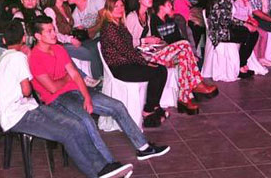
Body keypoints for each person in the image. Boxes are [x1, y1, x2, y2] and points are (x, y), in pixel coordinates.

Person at [0, 22, 135, 178]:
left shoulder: (1, 59)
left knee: (76, 124)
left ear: (4, 41)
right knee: (68, 133)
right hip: (18, 116)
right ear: (24, 38)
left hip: (27, 108)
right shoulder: (18, 58)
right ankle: (98, 172)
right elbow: (26, 91)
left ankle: (105, 167)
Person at [28, 17, 170, 163]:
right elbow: (52, 88)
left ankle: (144, 148)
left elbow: (76, 75)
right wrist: (68, 79)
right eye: (49, 31)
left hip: (75, 91)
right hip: (57, 100)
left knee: (117, 106)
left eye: (54, 30)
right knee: (87, 121)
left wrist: (87, 98)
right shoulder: (34, 58)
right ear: (38, 36)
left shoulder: (58, 48)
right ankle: (108, 164)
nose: (54, 34)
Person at [99, 0, 168, 128]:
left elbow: (130, 49)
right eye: (116, 6)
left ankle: (153, 106)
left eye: (121, 6)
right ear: (109, 9)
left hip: (127, 63)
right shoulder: (109, 27)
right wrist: (144, 62)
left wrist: (144, 60)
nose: (119, 9)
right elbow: (126, 51)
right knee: (157, 72)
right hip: (119, 67)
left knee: (161, 69)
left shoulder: (119, 24)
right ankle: (148, 112)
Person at [149, 0, 218, 114]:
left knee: (184, 56)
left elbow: (177, 38)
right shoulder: (153, 21)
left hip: (172, 52)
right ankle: (197, 83)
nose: (171, 6)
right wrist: (170, 56)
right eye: (168, 4)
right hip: (158, 54)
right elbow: (157, 43)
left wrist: (188, 55)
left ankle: (184, 98)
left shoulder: (170, 19)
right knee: (185, 45)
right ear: (161, 7)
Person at [43, 0, 102, 87]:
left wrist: (77, 30)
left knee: (94, 47)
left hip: (70, 39)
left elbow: (70, 26)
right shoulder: (50, 10)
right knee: (87, 52)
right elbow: (54, 33)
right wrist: (69, 39)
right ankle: (88, 78)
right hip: (59, 43)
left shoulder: (67, 8)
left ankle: (99, 77)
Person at [206, 0, 260, 78]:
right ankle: (241, 65)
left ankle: (242, 64)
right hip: (220, 31)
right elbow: (225, 19)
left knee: (252, 33)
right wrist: (245, 24)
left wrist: (247, 23)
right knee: (250, 34)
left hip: (226, 27)